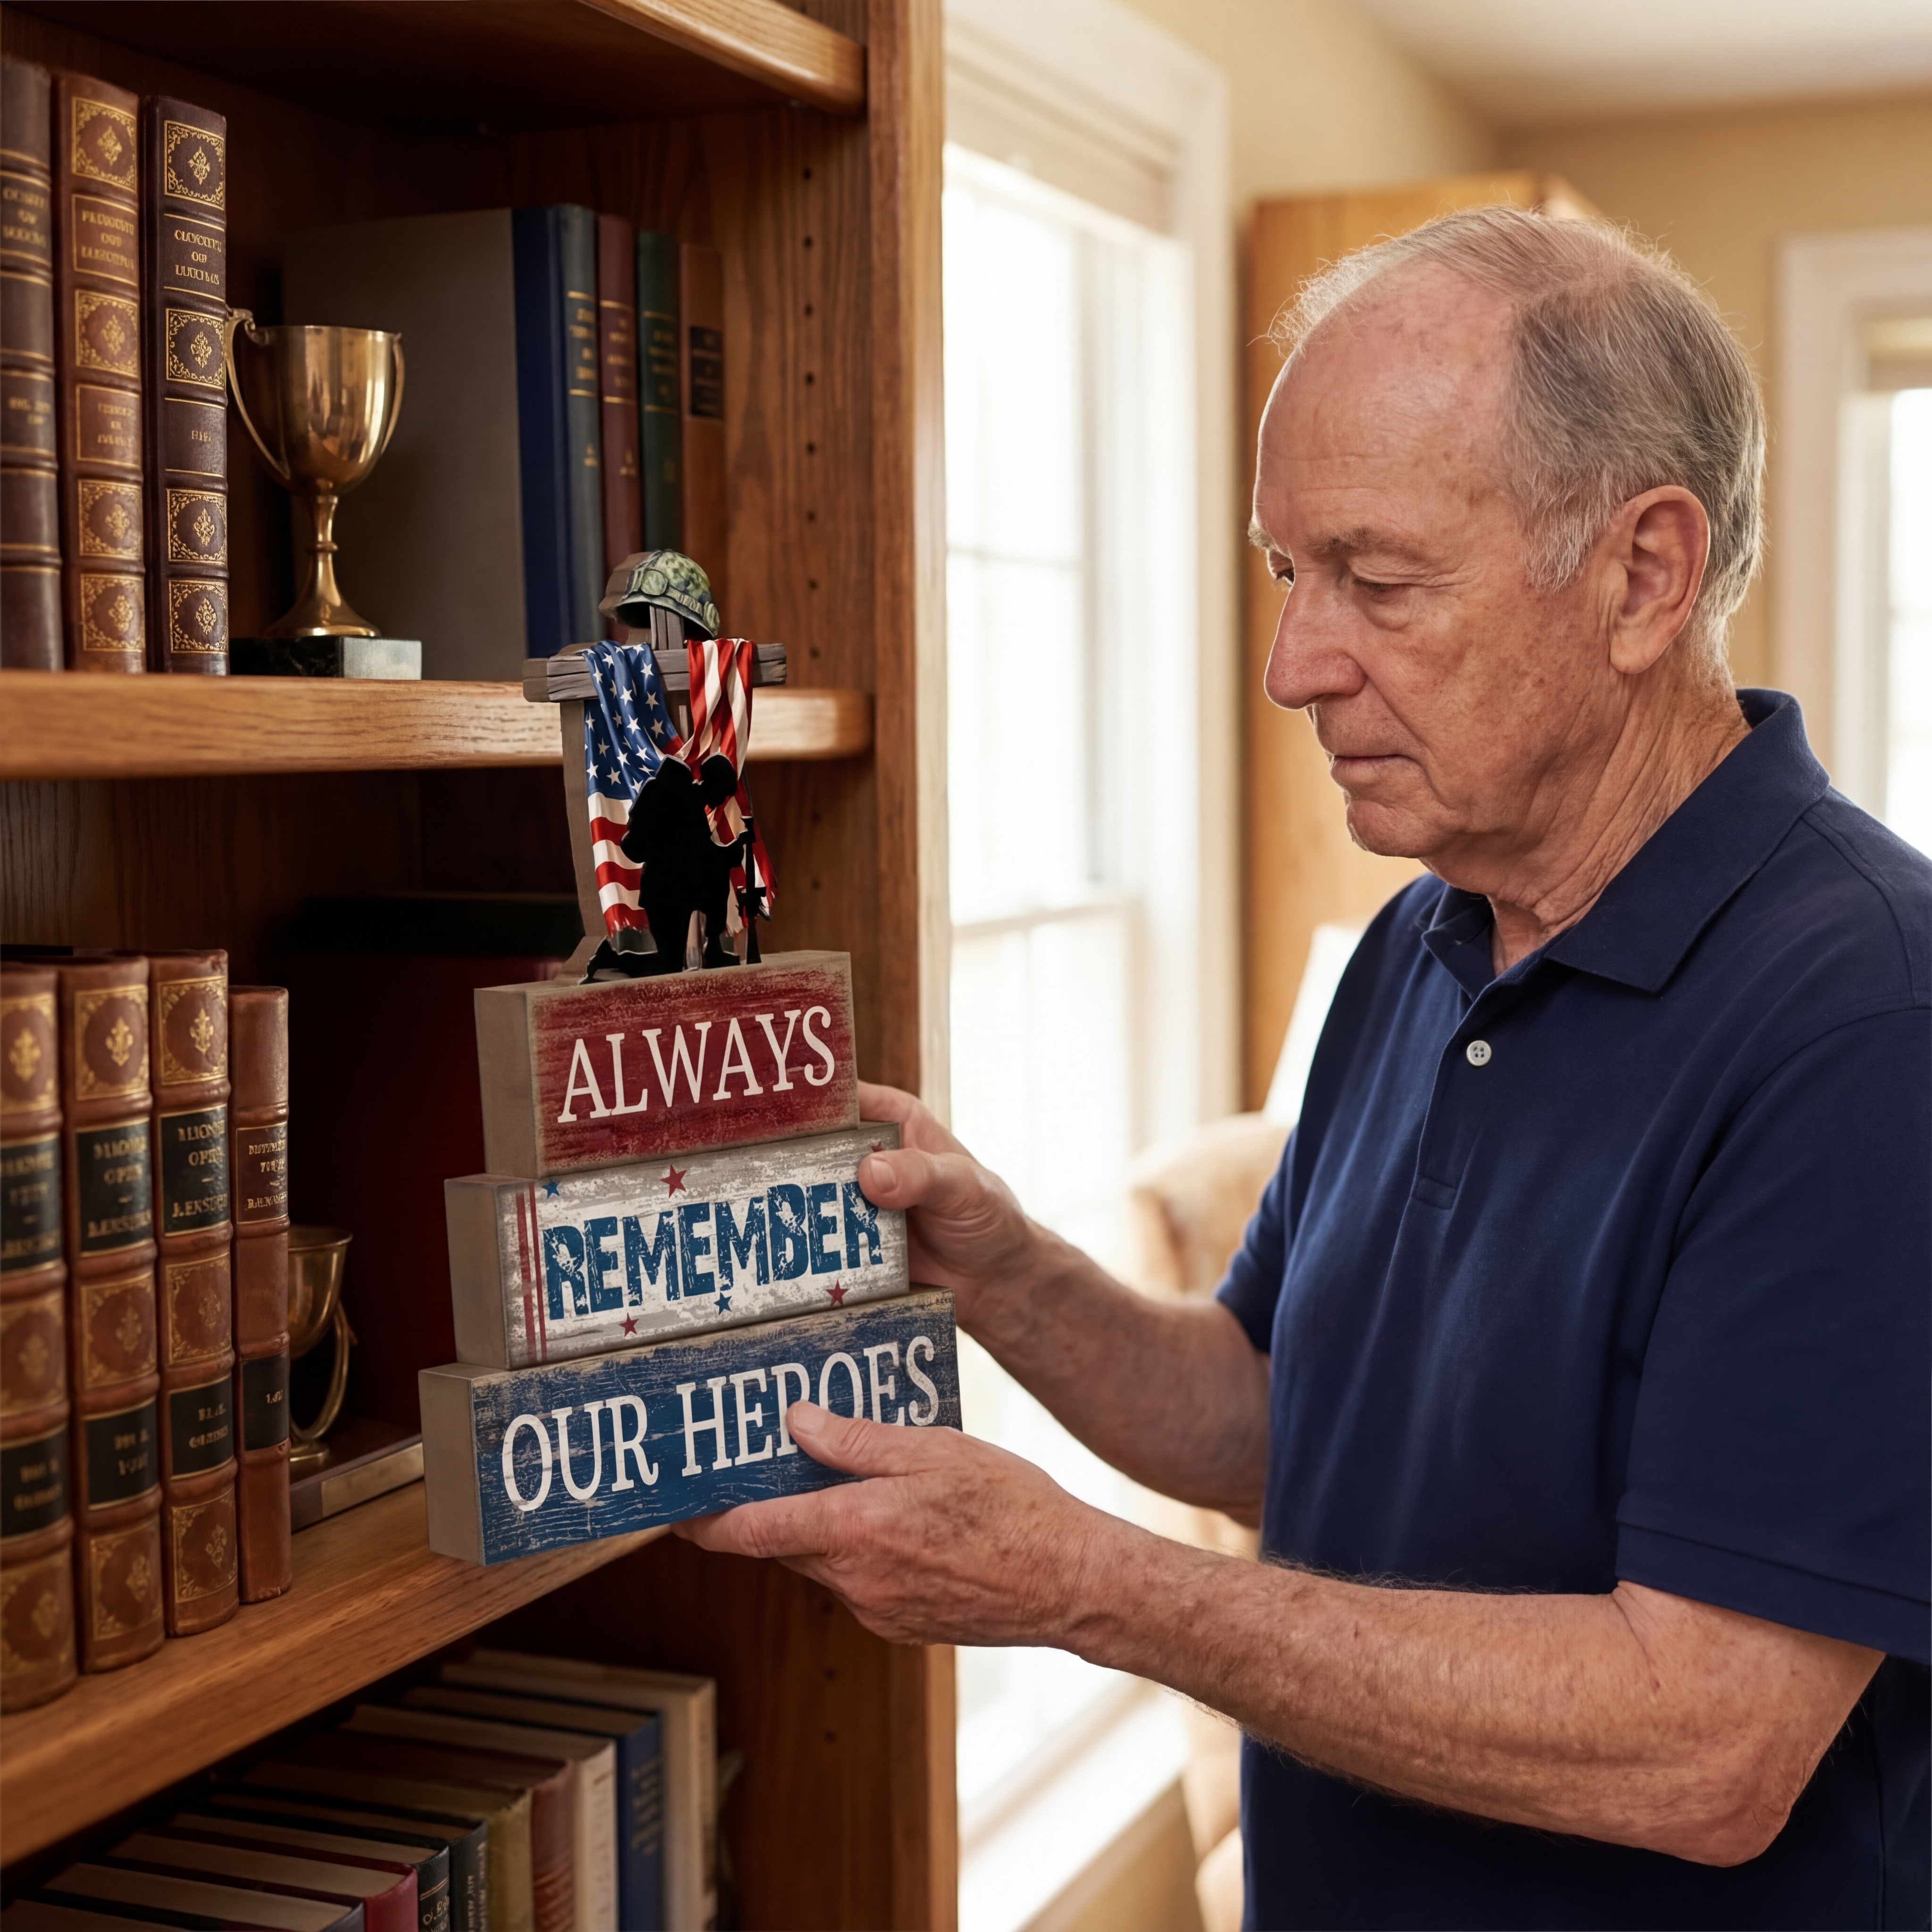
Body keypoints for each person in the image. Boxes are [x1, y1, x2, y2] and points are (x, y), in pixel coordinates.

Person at [676, 208, 1931, 1928]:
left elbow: (1706, 1748)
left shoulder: (1870, 1019)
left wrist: (1085, 1587)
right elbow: (1286, 1423)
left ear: (1645, 575)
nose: (1293, 667)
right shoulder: (1428, 933)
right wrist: (1007, 1274)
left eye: (1379, 582)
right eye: (1289, 575)